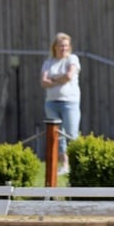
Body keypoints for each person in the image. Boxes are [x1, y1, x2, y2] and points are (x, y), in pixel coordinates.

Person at [40, 32, 81, 176]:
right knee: (57, 135)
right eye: (60, 45)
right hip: (51, 103)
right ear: (55, 47)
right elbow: (44, 82)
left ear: (69, 47)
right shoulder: (48, 62)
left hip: (69, 102)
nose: (63, 48)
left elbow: (69, 76)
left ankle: (77, 163)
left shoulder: (73, 59)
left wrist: (53, 79)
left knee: (71, 134)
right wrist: (59, 79)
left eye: (65, 45)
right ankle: (64, 164)